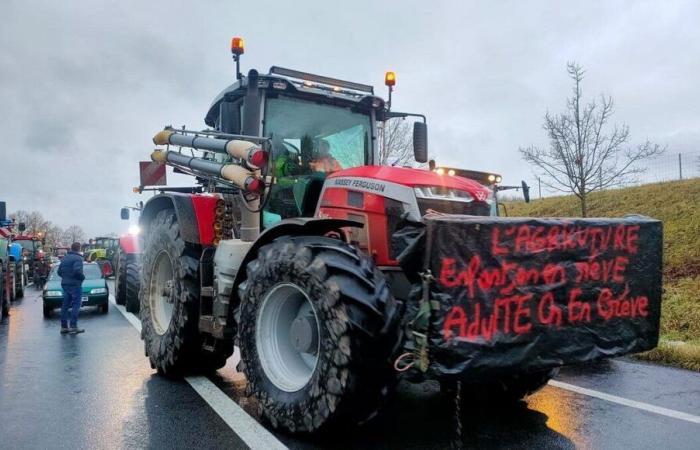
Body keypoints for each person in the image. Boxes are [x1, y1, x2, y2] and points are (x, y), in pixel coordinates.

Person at [57, 242, 85, 334]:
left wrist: (65, 277)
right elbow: (77, 271)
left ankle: (64, 327)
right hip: (75, 284)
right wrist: (82, 278)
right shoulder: (78, 258)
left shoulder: (65, 258)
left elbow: (59, 271)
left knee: (65, 306)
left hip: (65, 284)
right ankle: (73, 326)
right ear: (79, 249)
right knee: (76, 305)